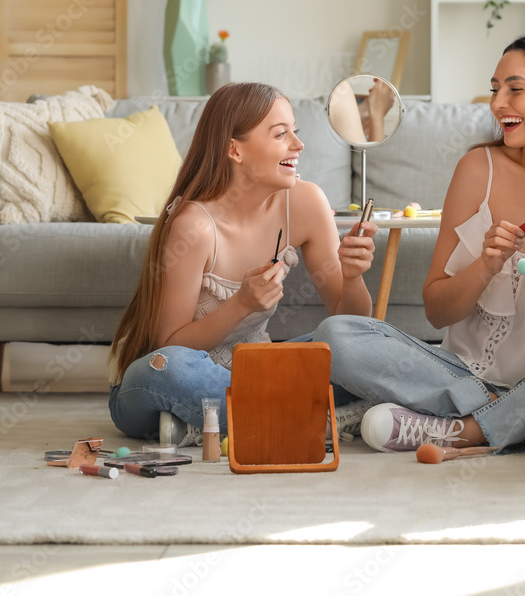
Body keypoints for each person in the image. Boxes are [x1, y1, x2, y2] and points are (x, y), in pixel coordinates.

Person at [313, 32, 525, 453]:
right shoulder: (478, 167)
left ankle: (464, 423)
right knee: (337, 337)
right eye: (495, 90)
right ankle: (516, 417)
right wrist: (485, 266)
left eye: (514, 90)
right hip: (463, 375)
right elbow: (437, 312)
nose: (497, 104)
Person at [108, 82, 378, 446]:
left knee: (348, 344)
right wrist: (242, 305)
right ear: (234, 149)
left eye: (294, 132)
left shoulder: (305, 202)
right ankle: (309, 417)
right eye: (281, 134)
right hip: (164, 380)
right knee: (167, 371)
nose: (298, 146)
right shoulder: (195, 227)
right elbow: (168, 346)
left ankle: (210, 423)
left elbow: (353, 325)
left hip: (253, 371)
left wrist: (352, 277)